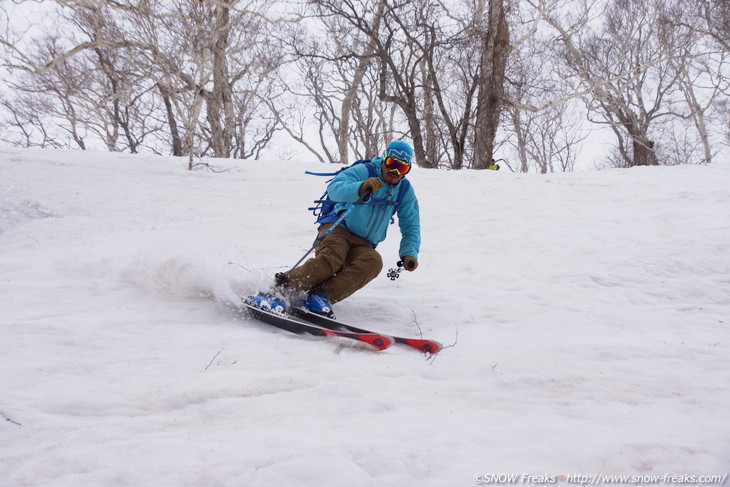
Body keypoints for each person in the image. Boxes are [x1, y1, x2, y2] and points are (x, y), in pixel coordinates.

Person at [251, 140, 421, 317]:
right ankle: (277, 291)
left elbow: (411, 225)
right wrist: (361, 187)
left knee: (372, 262)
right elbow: (334, 189)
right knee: (332, 258)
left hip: (364, 243)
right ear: (384, 159)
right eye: (391, 164)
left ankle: (319, 297)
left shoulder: (404, 191)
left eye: (401, 169)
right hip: (339, 226)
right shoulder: (365, 171)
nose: (394, 172)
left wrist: (410, 253)